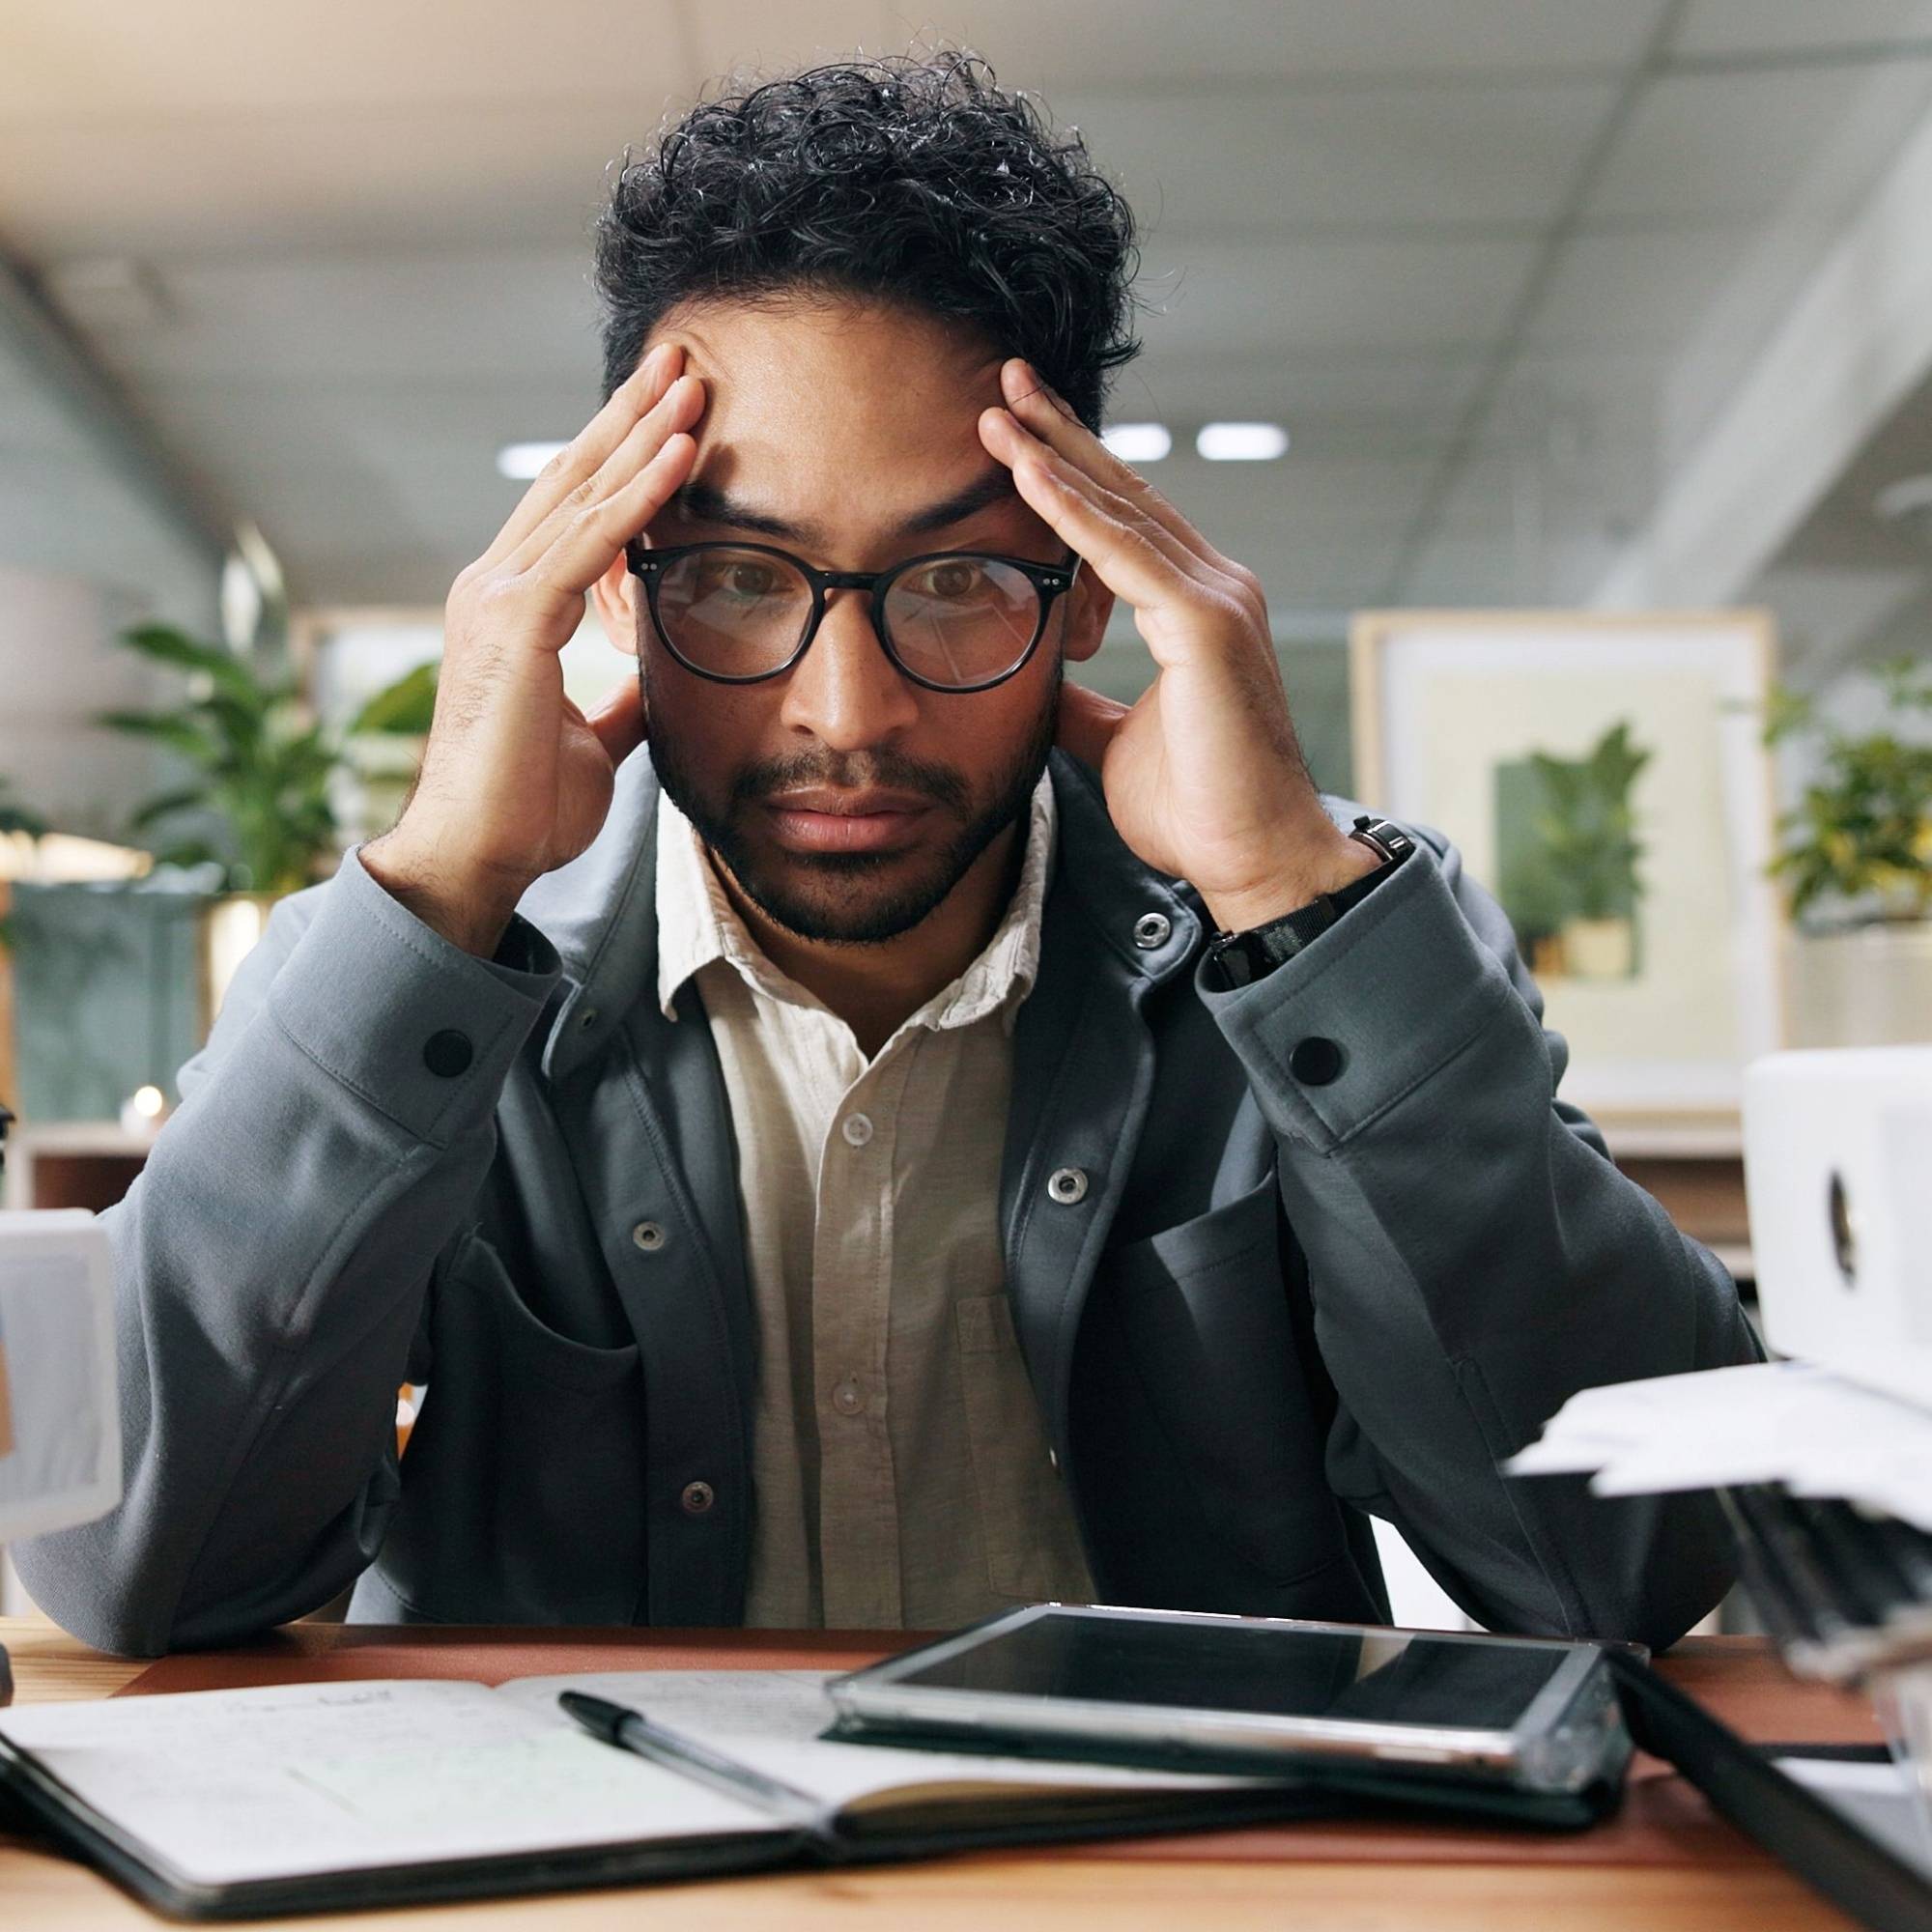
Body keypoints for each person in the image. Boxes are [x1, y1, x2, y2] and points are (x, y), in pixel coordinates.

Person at [19, 52, 1758, 1658]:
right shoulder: (443, 972)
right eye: (735, 576)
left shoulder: (1325, 940)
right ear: (614, 585)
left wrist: (1290, 899)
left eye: (955, 580)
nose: (843, 712)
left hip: (1175, 1880)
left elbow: (1638, 1568)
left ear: (1091, 587)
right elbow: (139, 1574)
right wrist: (440, 896)